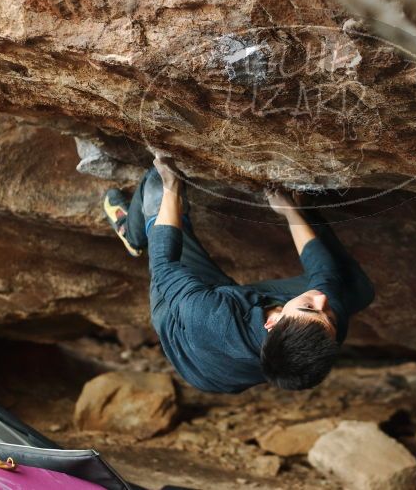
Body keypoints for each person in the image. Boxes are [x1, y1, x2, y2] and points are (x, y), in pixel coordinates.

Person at [102, 156, 374, 393]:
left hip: (185, 335)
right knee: (354, 288)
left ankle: (132, 233)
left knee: (156, 187)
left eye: (309, 307)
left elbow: (164, 265)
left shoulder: (207, 314)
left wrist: (172, 185)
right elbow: (324, 274)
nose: (321, 301)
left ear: (273, 322)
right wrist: (290, 212)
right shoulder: (324, 330)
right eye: (327, 315)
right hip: (235, 322)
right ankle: (306, 211)